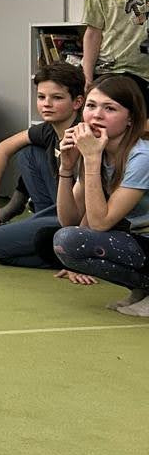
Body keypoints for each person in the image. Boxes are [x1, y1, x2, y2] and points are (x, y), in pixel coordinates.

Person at [51, 75, 149, 316]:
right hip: (138, 237)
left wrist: (91, 159)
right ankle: (142, 289)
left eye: (110, 108)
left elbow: (100, 223)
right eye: (91, 106)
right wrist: (66, 167)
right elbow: (69, 220)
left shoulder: (142, 157)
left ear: (130, 118)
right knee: (64, 242)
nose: (96, 115)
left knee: (71, 240)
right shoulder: (98, 150)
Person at [0, 64, 84, 268]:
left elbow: (82, 208)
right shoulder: (48, 129)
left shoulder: (82, 135)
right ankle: (42, 225)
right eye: (41, 97)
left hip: (77, 216)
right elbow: (2, 149)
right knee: (29, 152)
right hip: (56, 207)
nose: (47, 104)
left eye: (57, 98)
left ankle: (68, 254)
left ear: (77, 102)